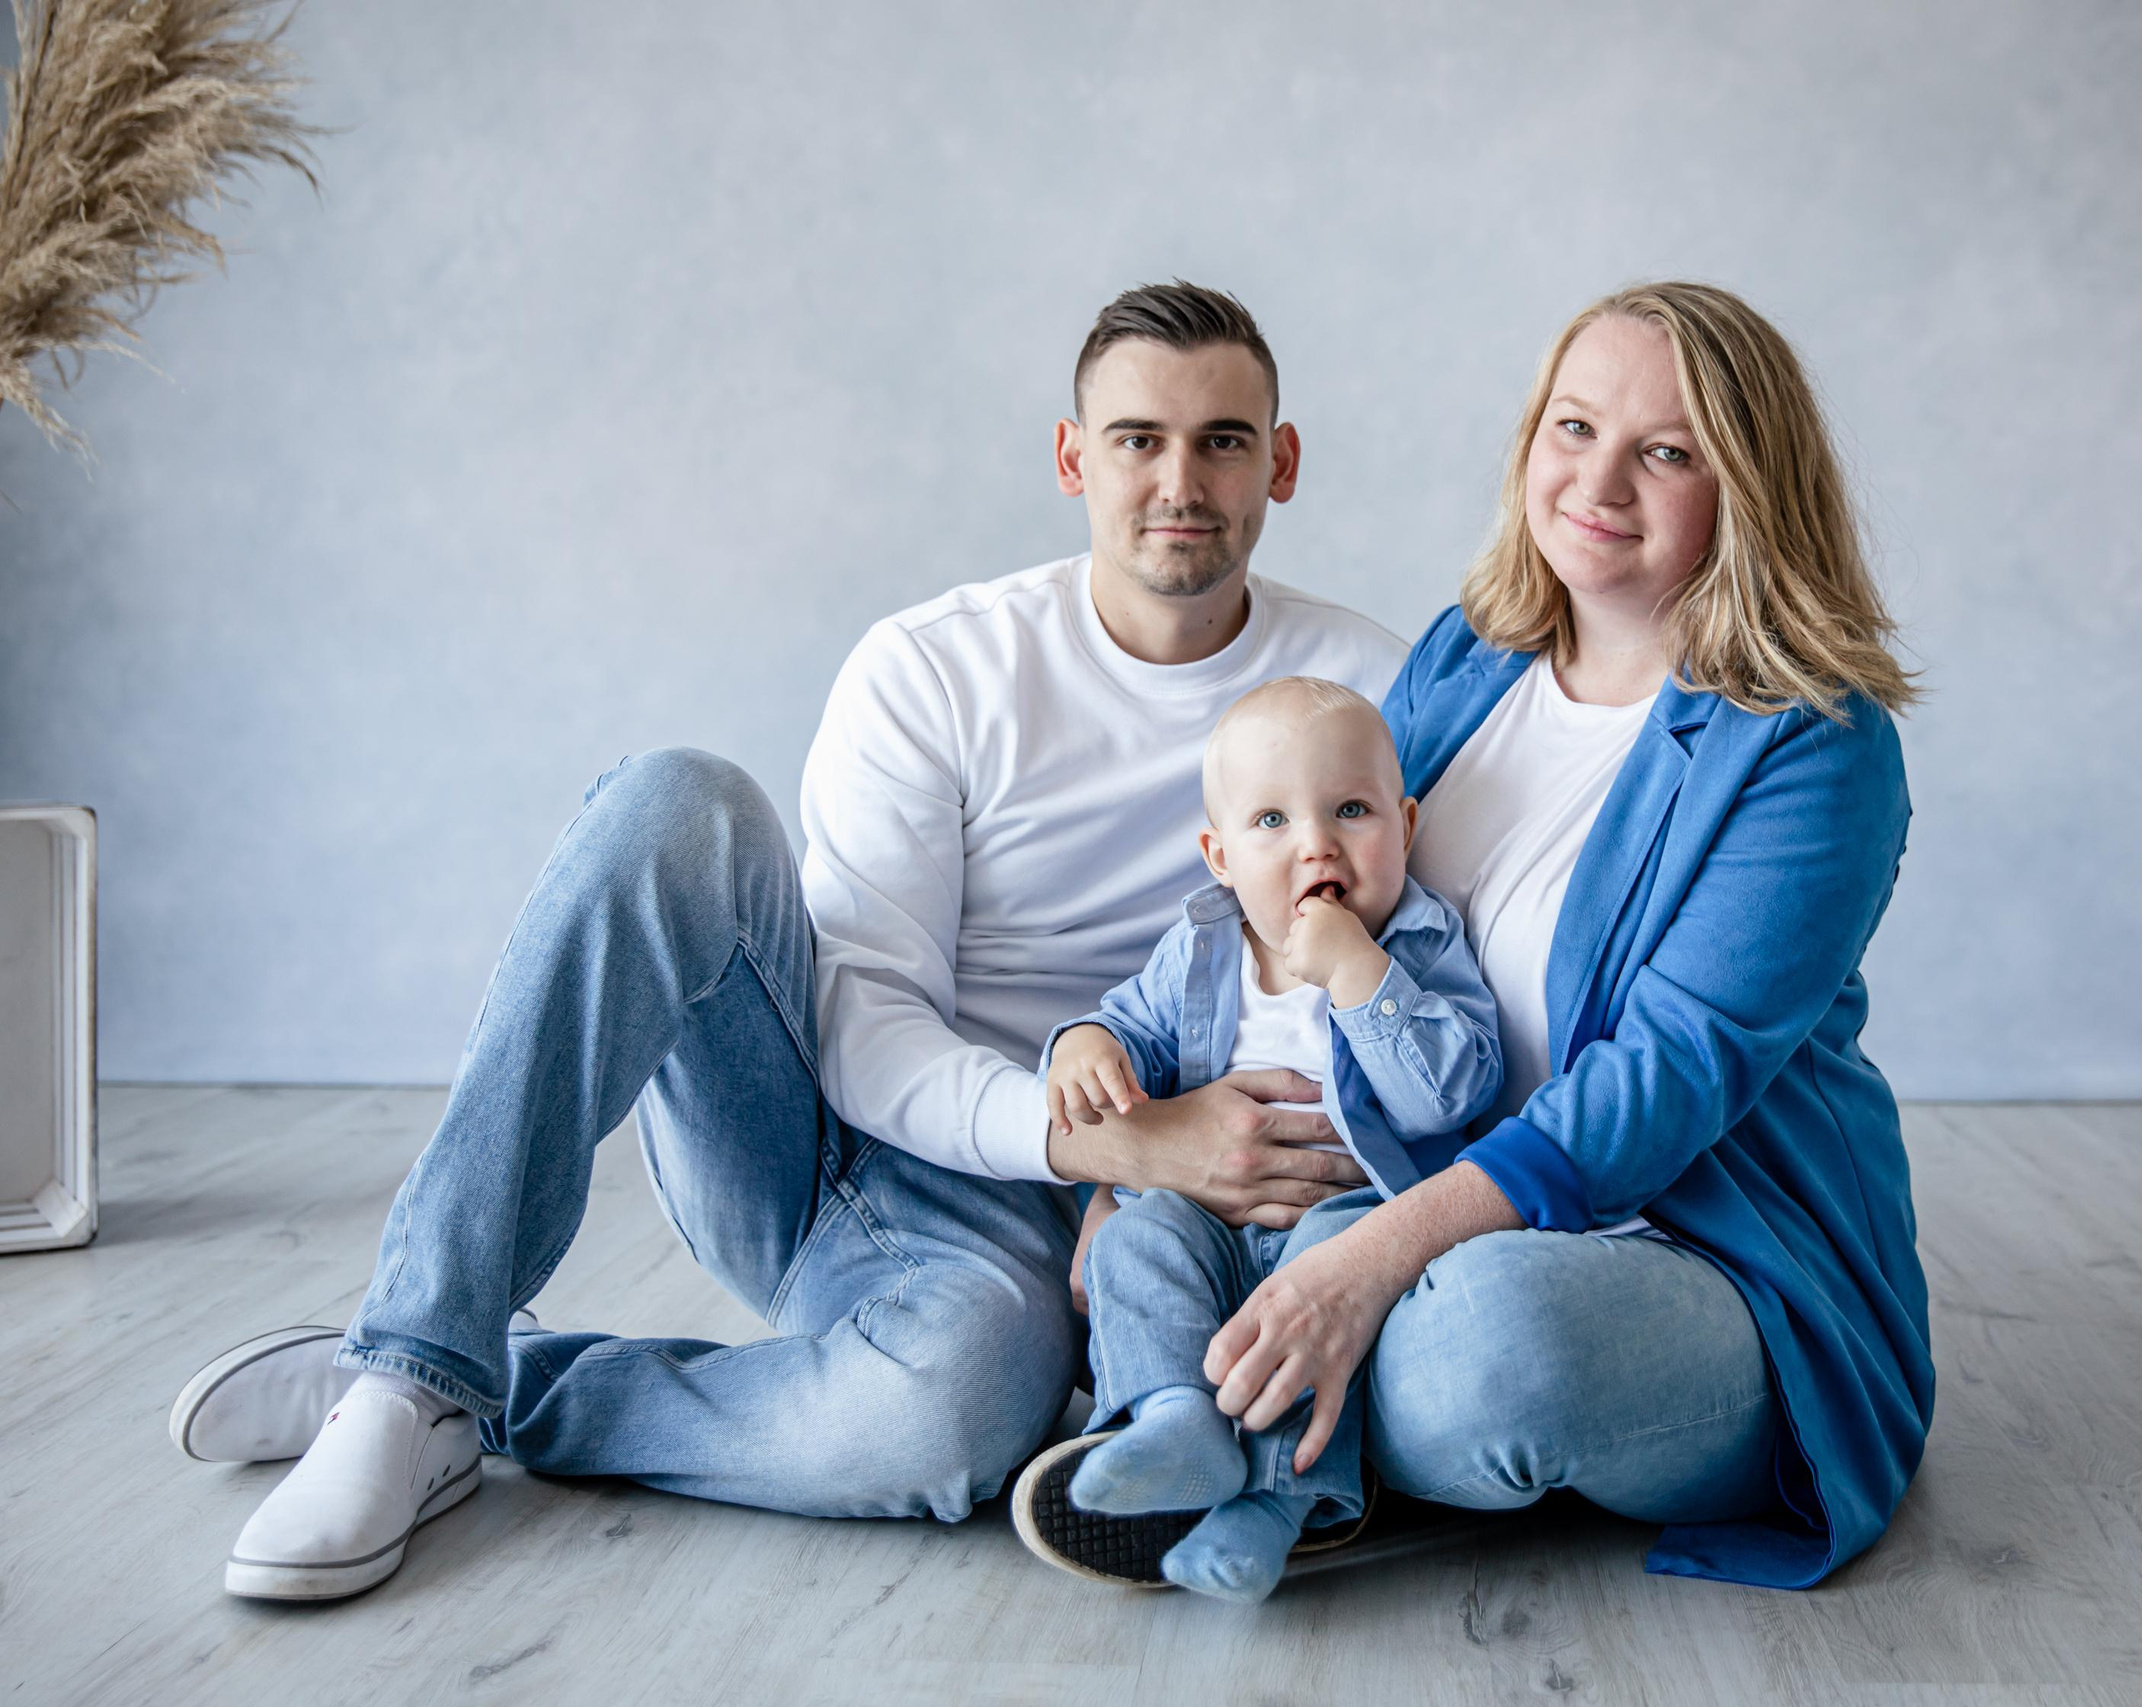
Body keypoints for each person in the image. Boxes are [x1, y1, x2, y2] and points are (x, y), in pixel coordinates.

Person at [171, 282, 1405, 1602]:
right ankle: (413, 1357)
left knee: (938, 1423)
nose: (1180, 478)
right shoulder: (938, 666)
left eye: (1223, 438)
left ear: (1279, 459)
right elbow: (867, 1022)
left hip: (1200, 1205)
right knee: (676, 804)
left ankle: (505, 1393)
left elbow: (1433, 971)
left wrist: (1169, 1180)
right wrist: (1113, 1141)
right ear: (1070, 456)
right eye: (1136, 438)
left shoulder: (1371, 687)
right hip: (865, 1167)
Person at [1155, 281, 1931, 1591]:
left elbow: (1665, 1078)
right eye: (1574, 426)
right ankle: (1249, 1413)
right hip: (1418, 1203)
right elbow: (1321, 921)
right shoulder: (1470, 655)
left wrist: (1363, 1262)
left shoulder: (1814, 741)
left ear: (1750, 484)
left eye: (1667, 452)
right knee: (1166, 1246)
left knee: (1487, 1358)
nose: (1600, 481)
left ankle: (1220, 1413)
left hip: (1690, 1247)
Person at [1012, 676, 1500, 1602]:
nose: (1316, 842)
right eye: (1271, 821)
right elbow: (1129, 1036)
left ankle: (1275, 1507)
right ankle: (1170, 1420)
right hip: (1207, 1216)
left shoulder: (1422, 944)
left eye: (1350, 809)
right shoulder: (1198, 950)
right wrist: (1083, 1042)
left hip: (1347, 1219)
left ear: (1404, 824)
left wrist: (1362, 974)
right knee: (1135, 1237)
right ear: (1220, 855)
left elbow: (1449, 1094)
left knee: (1321, 1284)